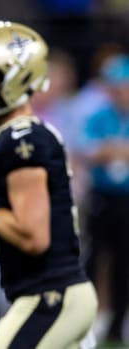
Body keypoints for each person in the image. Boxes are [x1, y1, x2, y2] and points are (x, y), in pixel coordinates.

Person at [0, 21, 98, 349]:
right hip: (49, 292)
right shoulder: (15, 135)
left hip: (50, 295)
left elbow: (32, 237)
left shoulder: (20, 139)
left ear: (18, 77)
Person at [79, 54, 129, 346]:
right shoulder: (99, 115)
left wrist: (112, 149)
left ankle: (117, 323)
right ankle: (85, 320)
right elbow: (88, 150)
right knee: (93, 259)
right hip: (103, 197)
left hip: (126, 199)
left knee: (124, 263)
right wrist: (113, 150)